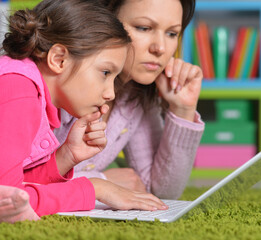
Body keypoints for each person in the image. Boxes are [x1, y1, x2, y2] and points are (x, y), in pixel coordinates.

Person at [0, 0, 167, 223]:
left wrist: (66, 156)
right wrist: (93, 188)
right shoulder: (18, 90)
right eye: (105, 72)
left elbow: (15, 186)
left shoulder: (33, 92)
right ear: (59, 59)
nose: (111, 93)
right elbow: (7, 202)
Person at [54, 0, 204, 200]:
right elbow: (14, 181)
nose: (160, 48)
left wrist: (183, 109)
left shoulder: (133, 96)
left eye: (172, 33)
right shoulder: (61, 80)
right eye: (144, 28)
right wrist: (100, 183)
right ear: (102, 20)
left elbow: (160, 192)